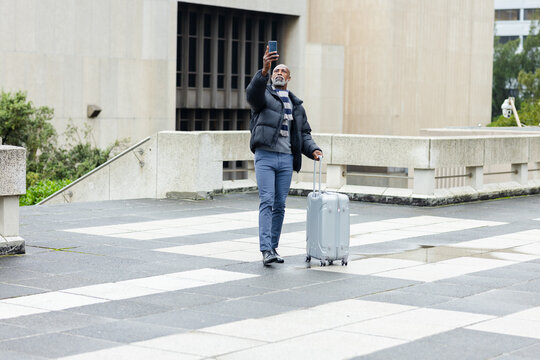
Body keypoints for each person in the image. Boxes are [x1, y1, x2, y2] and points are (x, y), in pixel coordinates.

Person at [246, 45, 323, 266]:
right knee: (267, 201)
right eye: (276, 71)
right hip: (266, 157)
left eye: (283, 72)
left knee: (280, 204)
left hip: (287, 159)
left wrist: (313, 149)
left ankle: (273, 247)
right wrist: (263, 71)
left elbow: (304, 133)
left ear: (289, 78)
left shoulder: (297, 105)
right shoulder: (264, 96)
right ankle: (265, 249)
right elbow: (251, 95)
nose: (279, 73)